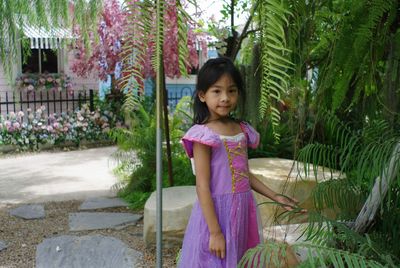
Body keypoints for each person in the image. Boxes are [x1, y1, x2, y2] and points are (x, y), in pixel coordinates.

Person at [178, 57, 303, 267]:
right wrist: (215, 232)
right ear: (202, 95)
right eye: (216, 91)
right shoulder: (203, 135)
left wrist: (275, 196)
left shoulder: (241, 129)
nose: (225, 98)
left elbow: (244, 173)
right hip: (217, 213)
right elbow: (202, 187)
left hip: (243, 208)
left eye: (232, 90)